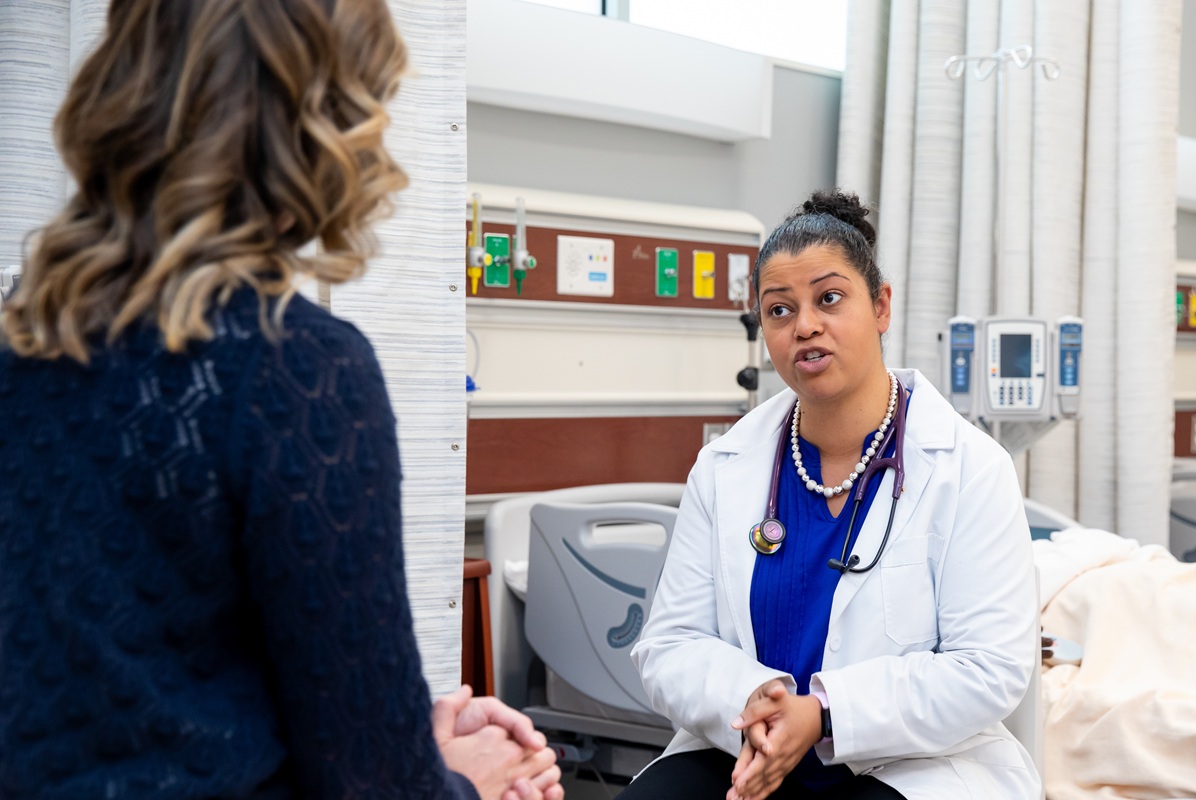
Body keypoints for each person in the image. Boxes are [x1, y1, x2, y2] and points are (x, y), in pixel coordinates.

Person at [0, 1, 561, 798]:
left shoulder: (19, 342)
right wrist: (469, 781)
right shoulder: (296, 371)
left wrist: (408, 744)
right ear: (321, 126)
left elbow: (142, 686)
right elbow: (373, 789)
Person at [623, 191, 1042, 800]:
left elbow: (988, 670)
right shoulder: (725, 467)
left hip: (907, 761)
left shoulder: (970, 469)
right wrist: (755, 703)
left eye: (829, 298)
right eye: (779, 309)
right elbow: (668, 645)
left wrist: (821, 713)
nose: (805, 325)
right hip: (747, 743)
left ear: (880, 306)